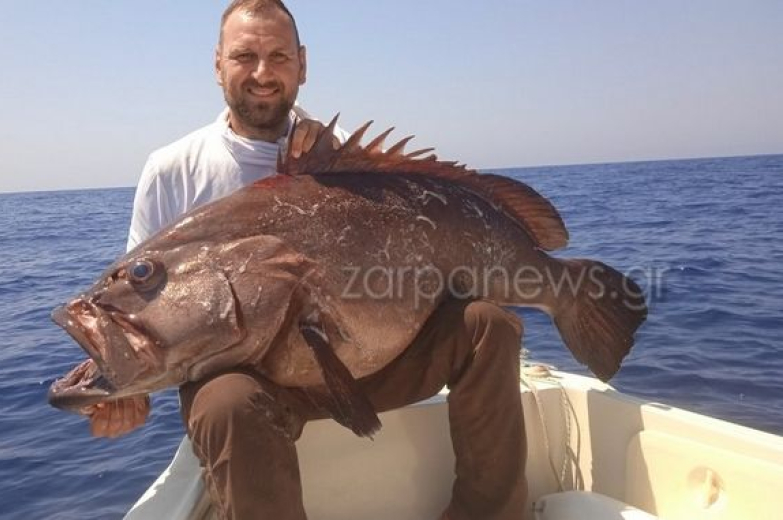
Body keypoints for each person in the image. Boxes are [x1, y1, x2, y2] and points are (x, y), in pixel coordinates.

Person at [87, 1, 529, 519]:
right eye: (244, 56)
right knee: (226, 403)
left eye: (278, 56)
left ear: (302, 64)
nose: (262, 73)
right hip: (254, 383)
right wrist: (123, 386)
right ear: (217, 65)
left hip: (366, 360)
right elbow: (139, 304)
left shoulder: (343, 159)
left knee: (488, 324)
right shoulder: (172, 170)